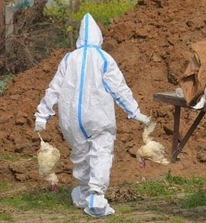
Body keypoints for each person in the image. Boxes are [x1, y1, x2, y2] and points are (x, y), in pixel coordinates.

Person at [34, 12, 151, 217]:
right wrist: (134, 112)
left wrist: (43, 115)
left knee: (80, 156)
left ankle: (84, 194)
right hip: (99, 117)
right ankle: (96, 195)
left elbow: (55, 88)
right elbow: (119, 88)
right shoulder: (104, 59)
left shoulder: (69, 59)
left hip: (71, 121)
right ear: (99, 36)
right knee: (101, 153)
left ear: (79, 37)